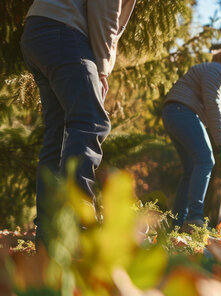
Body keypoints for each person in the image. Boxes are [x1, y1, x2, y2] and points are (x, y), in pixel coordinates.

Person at [21, 0, 137, 240]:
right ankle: (78, 225)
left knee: (58, 133)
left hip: (38, 31)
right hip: (64, 33)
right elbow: (104, 11)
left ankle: (50, 232)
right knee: (91, 122)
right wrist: (103, 67)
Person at [162, 45, 221, 230]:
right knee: (205, 160)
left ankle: (178, 222)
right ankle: (194, 219)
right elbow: (213, 107)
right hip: (181, 112)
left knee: (191, 169)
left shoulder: (220, 77)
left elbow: (216, 111)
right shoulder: (215, 70)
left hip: (175, 113)